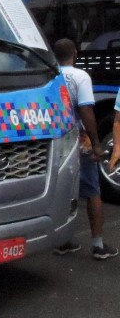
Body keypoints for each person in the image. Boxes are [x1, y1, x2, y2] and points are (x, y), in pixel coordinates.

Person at [52, 38, 118, 259]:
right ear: (75, 54)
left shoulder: (50, 75)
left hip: (57, 142)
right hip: (80, 141)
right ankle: (98, 245)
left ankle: (64, 241)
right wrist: (97, 143)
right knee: (93, 191)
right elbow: (87, 111)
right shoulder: (81, 76)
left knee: (63, 190)